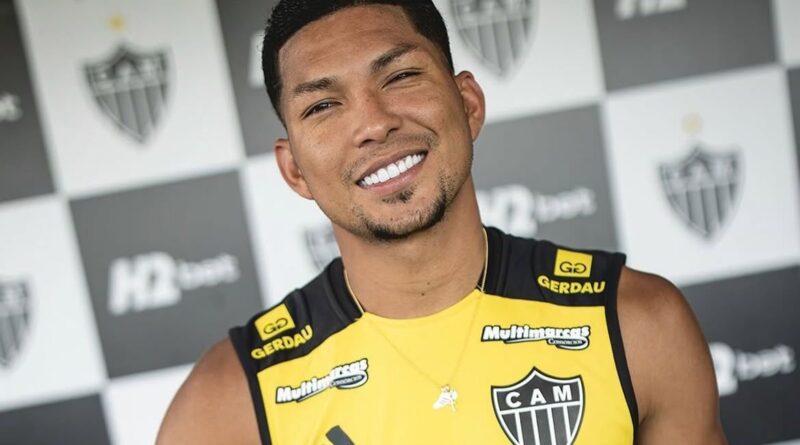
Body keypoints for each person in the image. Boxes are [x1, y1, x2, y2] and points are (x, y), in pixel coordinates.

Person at [157, 1, 727, 444]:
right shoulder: (227, 403)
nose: (374, 124)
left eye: (400, 76)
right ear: (295, 170)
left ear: (468, 104)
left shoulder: (637, 324)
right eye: (323, 106)